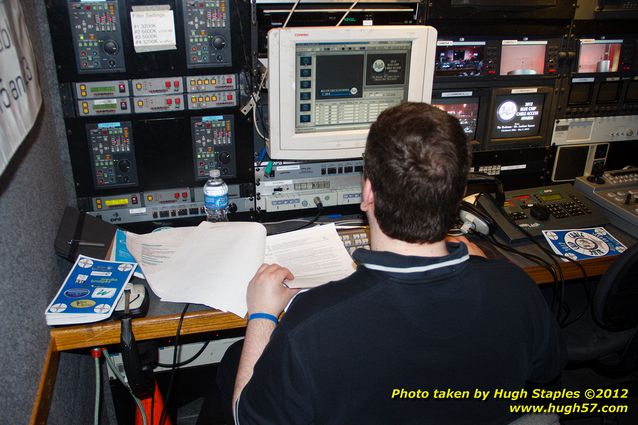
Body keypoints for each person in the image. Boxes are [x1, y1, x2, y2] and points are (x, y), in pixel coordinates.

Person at [220, 102, 562, 424]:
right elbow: (546, 371)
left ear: (367, 192)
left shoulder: (312, 325)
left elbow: (246, 419)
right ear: (458, 196)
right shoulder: (515, 287)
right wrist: (488, 272)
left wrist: (262, 316)